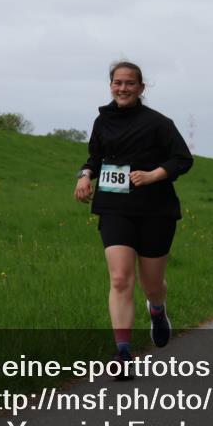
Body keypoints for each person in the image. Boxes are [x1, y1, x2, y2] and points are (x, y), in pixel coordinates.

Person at [75, 61, 193, 380]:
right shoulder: (103, 121)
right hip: (114, 207)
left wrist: (155, 174)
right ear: (110, 85)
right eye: (117, 83)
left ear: (141, 88)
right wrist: (85, 176)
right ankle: (123, 352)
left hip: (156, 210)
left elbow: (183, 159)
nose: (123, 88)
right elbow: (95, 158)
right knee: (120, 278)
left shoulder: (159, 123)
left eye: (129, 83)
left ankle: (157, 309)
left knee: (151, 284)